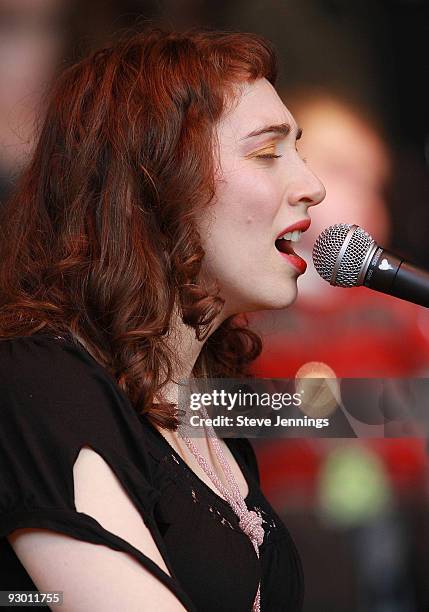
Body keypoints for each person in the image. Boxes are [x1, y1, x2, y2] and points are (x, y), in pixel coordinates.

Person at [0, 25, 325, 611]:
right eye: (267, 152)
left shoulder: (203, 407)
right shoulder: (35, 383)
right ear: (152, 182)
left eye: (300, 152)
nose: (312, 186)